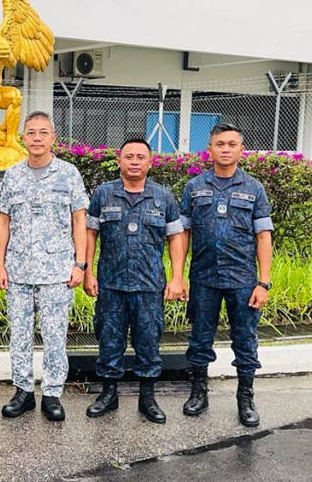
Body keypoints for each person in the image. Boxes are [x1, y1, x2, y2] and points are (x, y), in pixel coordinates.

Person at [83, 138, 186, 424]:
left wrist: (177, 277)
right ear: (119, 161)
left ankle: (147, 398)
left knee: (149, 342)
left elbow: (176, 238)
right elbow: (89, 234)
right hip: (111, 285)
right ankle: (108, 394)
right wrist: (87, 271)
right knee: (108, 341)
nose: (135, 161)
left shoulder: (163, 197)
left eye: (141, 156)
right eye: (129, 156)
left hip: (149, 286)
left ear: (150, 162)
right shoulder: (103, 194)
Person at [0, 110, 89, 422]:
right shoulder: (13, 175)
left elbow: (79, 220)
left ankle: (51, 394)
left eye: (43, 132)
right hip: (19, 271)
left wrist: (80, 264)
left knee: (54, 336)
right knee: (19, 335)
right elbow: (4, 221)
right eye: (31, 132)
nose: (37, 138)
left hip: (56, 272)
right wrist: (0, 266)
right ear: (23, 137)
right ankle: (22, 392)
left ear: (52, 138)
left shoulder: (68, 174)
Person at [178, 123, 273, 427]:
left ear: (240, 150)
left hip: (243, 280)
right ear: (211, 149)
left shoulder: (254, 188)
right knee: (199, 339)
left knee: (245, 340)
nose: (226, 149)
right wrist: (177, 275)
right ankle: (198, 393)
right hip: (204, 278)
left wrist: (263, 282)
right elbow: (183, 233)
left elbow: (263, 237)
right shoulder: (194, 187)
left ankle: (245, 399)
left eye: (232, 144)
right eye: (220, 144)